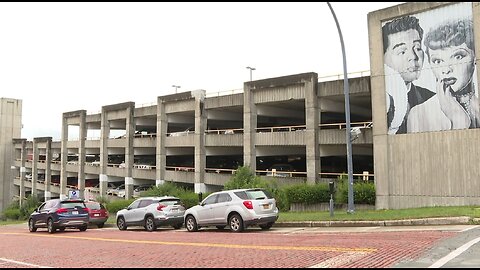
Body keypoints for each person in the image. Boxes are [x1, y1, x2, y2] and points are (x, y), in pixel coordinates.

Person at [422, 19, 480, 130]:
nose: (446, 70)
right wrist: (458, 120)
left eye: (458, 56)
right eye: (438, 61)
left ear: (475, 57)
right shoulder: (419, 113)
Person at [382, 15, 436, 134]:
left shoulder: (433, 99)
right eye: (402, 51)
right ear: (383, 58)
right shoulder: (380, 104)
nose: (413, 57)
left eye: (417, 47)